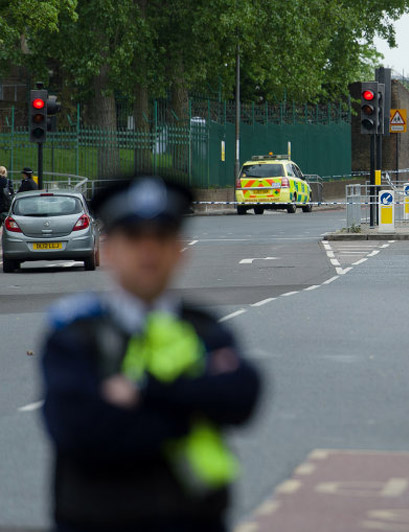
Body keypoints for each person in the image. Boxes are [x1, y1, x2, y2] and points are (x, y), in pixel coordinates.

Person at [40, 176, 262, 532]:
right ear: (107, 250)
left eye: (160, 238)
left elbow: (243, 397)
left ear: (180, 251)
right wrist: (193, 407)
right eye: (133, 237)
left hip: (195, 519)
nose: (148, 250)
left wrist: (143, 393)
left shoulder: (203, 327)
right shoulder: (75, 334)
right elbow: (80, 431)